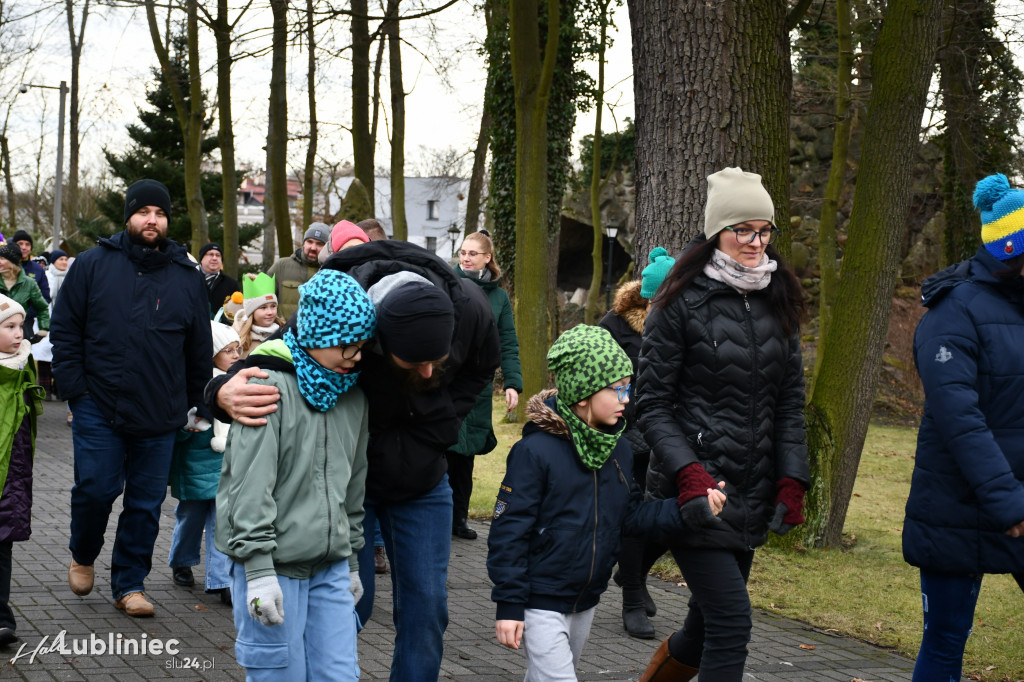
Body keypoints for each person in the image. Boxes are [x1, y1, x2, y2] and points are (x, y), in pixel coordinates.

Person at [208, 239, 501, 681]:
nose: (427, 372)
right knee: (349, 609)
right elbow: (278, 362)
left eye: (435, 362)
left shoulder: (472, 311)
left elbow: (484, 367)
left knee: (426, 608)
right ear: (377, 338)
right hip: (339, 499)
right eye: (413, 361)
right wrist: (219, 393)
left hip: (418, 480)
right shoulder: (340, 322)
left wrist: (440, 421)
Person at [635, 167, 809, 681]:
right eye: (743, 230)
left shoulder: (778, 298)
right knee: (733, 623)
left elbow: (789, 403)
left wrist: (792, 477)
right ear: (718, 232)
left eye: (765, 230)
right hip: (697, 493)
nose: (757, 243)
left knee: (705, 628)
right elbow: (652, 403)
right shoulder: (678, 302)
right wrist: (688, 473)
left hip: (751, 493)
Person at [487, 325, 725, 682]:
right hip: (540, 599)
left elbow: (629, 516)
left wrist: (687, 509)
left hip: (586, 599)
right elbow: (509, 531)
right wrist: (508, 604)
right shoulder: (534, 453)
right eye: (616, 390)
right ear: (582, 394)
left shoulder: (620, 450)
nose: (626, 398)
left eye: (627, 388)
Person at [50, 178, 213, 618]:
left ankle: (129, 584)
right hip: (97, 405)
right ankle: (83, 553)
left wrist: (197, 403)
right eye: (144, 212)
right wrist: (76, 391)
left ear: (167, 221)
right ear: (129, 216)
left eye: (160, 213)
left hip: (160, 413)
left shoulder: (187, 276)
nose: (152, 220)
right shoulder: (92, 264)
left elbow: (199, 347)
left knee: (144, 504)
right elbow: (64, 329)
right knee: (97, 489)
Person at [215, 269, 374, 681]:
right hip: (274, 566)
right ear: (319, 334)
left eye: (361, 348)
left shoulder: (352, 396)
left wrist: (353, 556)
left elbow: (353, 486)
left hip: (331, 565)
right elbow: (249, 483)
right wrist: (258, 570)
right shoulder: (266, 387)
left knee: (339, 674)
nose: (355, 358)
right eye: (348, 347)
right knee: (279, 674)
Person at [903, 172, 1024, 682]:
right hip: (958, 506)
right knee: (947, 641)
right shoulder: (952, 314)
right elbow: (960, 420)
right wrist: (1009, 504)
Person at [600, 246, 675, 639]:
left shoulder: (683, 325)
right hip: (624, 437)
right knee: (633, 518)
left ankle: (636, 573)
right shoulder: (613, 327)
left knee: (671, 519)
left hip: (667, 437)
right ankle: (631, 598)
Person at [448, 230, 522, 540]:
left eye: (472, 253)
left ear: (487, 258)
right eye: (462, 252)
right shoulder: (444, 282)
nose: (465, 257)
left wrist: (512, 383)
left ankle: (458, 518)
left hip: (477, 386)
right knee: (440, 447)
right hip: (445, 380)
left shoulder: (499, 296)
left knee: (465, 456)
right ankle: (433, 515)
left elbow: (507, 340)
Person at [167, 321, 241, 605]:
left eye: (237, 349)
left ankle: (221, 581)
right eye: (228, 350)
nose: (235, 355)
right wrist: (187, 428)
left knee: (222, 521)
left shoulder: (236, 384)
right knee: (190, 518)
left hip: (225, 466)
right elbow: (179, 430)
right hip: (196, 466)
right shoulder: (195, 385)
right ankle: (181, 560)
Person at [0, 295, 42, 648]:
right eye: (8, 327)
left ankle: (1, 617)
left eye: (21, 326)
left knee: (2, 546)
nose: (19, 333)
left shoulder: (24, 366)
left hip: (12, 478)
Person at [31, 250, 71, 401]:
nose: (64, 262)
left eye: (66, 259)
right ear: (54, 261)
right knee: (44, 357)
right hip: (48, 319)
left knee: (61, 357)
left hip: (65, 322)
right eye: (60, 259)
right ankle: (45, 389)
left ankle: (60, 389)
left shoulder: (71, 276)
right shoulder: (47, 276)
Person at [266, 223, 328, 320]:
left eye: (319, 244)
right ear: (304, 243)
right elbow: (263, 301)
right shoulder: (281, 267)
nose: (313, 248)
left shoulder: (331, 273)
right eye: (310, 242)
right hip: (282, 332)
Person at [0, 244, 49, 342]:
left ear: (12, 261)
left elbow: (42, 308)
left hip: (20, 337)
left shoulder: (29, 283)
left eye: (1, 258)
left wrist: (43, 329)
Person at [233, 273, 286, 358]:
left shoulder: (284, 333)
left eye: (273, 306)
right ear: (251, 311)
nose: (270, 312)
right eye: (263, 307)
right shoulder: (237, 337)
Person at [197, 243, 240, 319]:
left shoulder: (231, 284)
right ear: (201, 259)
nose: (214, 258)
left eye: (218, 255)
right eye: (210, 254)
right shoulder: (190, 279)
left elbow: (237, 311)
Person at [10, 231, 50, 305]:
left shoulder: (38, 269)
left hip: (30, 315)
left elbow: (45, 297)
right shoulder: (4, 266)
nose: (24, 247)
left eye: (27, 244)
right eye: (20, 244)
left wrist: (30, 312)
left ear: (31, 248)